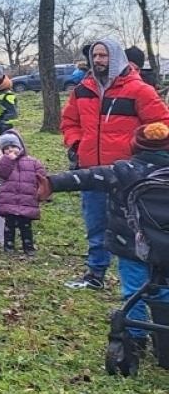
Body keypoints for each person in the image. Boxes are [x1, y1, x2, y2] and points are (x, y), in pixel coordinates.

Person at [61, 37, 169, 290]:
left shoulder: (139, 91)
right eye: (95, 56)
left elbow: (161, 125)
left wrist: (142, 152)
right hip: (92, 171)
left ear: (116, 57)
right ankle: (95, 273)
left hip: (130, 174)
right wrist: (76, 144)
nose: (98, 60)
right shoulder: (82, 90)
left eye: (103, 55)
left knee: (133, 227)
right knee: (95, 223)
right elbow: (69, 122)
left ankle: (141, 279)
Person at [47, 121, 169, 337]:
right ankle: (164, 337)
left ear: (135, 146)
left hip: (131, 245)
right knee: (165, 292)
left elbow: (87, 176)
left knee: (134, 291)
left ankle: (134, 338)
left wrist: (51, 183)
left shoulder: (122, 170)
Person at [0, 132, 45, 256]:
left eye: (13, 146)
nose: (10, 150)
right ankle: (8, 246)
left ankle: (28, 246)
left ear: (20, 147)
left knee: (26, 226)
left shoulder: (33, 162)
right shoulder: (2, 162)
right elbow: (0, 173)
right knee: (9, 225)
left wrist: (44, 193)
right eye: (6, 148)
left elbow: (42, 178)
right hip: (9, 199)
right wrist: (7, 160)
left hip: (27, 200)